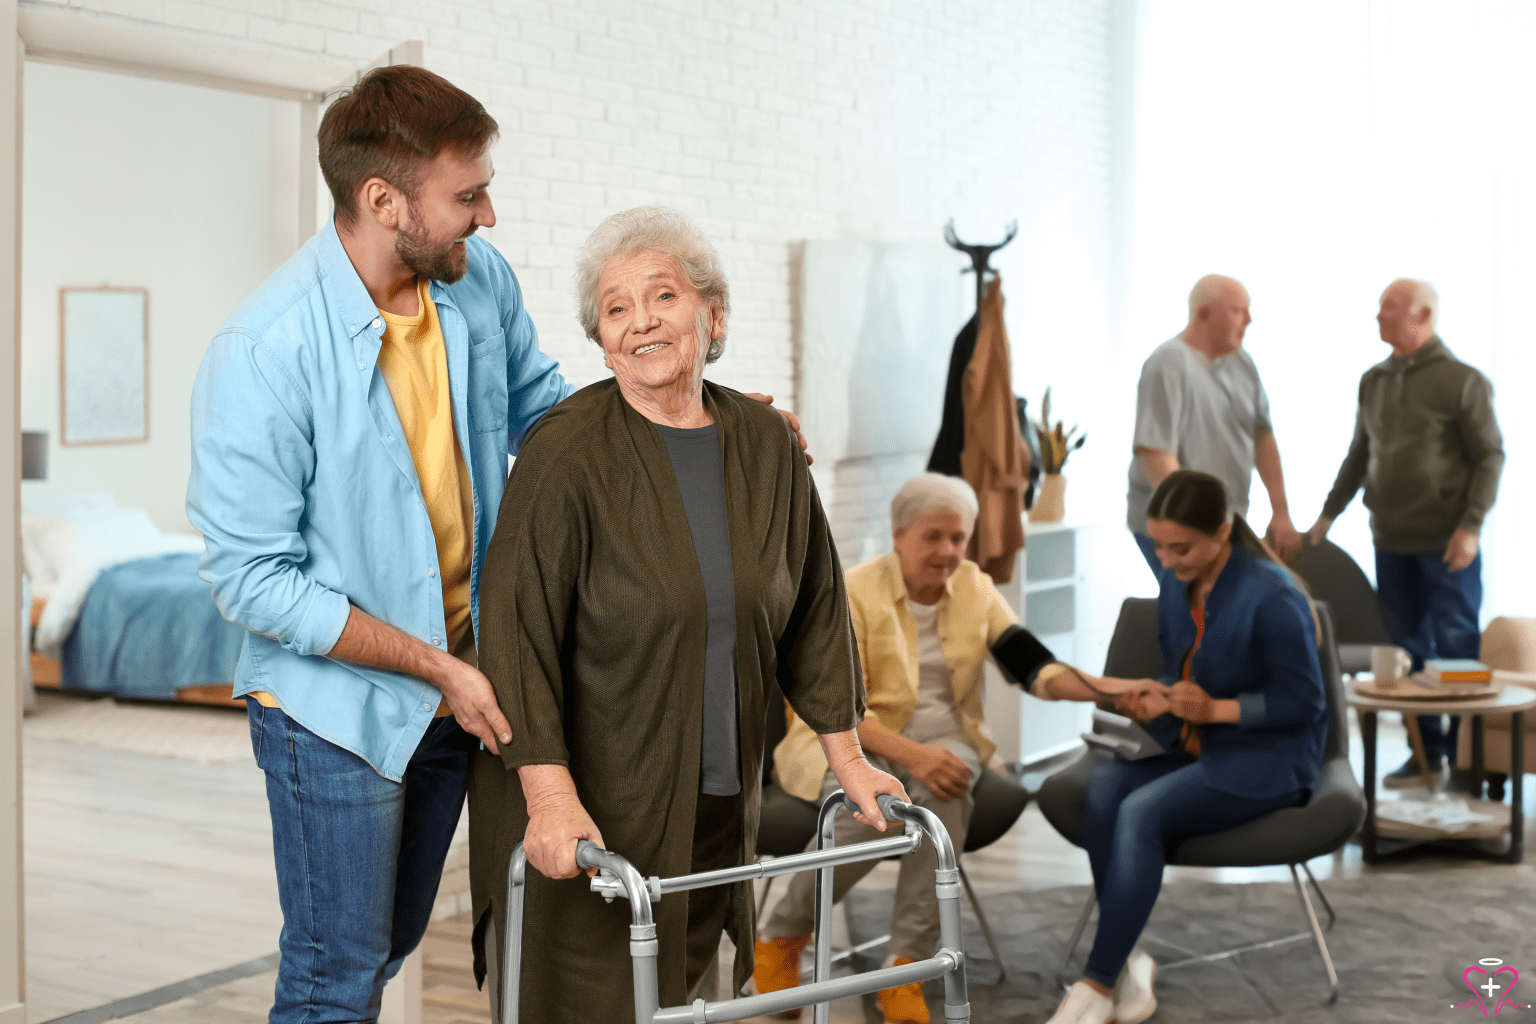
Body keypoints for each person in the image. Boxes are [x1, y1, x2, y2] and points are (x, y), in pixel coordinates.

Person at [188, 70, 802, 1022]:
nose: (488, 213)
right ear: (383, 201)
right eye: (466, 195)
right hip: (339, 710)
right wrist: (437, 667)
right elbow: (252, 581)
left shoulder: (476, 289)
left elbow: (554, 426)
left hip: (464, 688)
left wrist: (703, 422)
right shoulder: (265, 352)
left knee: (386, 946)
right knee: (334, 969)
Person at [467, 206, 906, 1023]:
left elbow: (814, 607)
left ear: (714, 313)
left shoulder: (768, 444)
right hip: (589, 803)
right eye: (616, 308)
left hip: (715, 793)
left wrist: (849, 762)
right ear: (600, 338)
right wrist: (552, 800)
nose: (641, 323)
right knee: (590, 1001)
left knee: (689, 997)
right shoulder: (566, 453)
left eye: (662, 296)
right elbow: (515, 631)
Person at [755, 472, 1061, 1024]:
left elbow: (1032, 664)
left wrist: (1107, 689)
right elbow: (835, 707)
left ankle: (908, 969)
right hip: (851, 740)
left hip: (947, 739)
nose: (948, 552)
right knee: (870, 808)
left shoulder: (974, 585)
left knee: (944, 789)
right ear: (899, 536)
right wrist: (911, 758)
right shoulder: (851, 591)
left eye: (958, 538)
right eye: (933, 537)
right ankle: (781, 936)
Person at [1039, 470, 1327, 1024]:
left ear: (1222, 532)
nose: (1166, 561)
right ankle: (1126, 963)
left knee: (1143, 811)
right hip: (1192, 741)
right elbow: (1187, 671)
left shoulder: (1274, 597)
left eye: (1181, 547)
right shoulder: (1180, 580)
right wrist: (1163, 701)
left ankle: (1096, 984)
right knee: (1103, 790)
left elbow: (1305, 703)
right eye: (1158, 547)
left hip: (1270, 756)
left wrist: (1213, 710)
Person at [1308, 279, 1504, 787]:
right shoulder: (1373, 380)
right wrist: (1327, 516)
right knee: (1408, 652)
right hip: (1389, 540)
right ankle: (1426, 753)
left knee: (1457, 648)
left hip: (1447, 543)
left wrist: (1471, 527)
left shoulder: (1464, 381)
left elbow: (1490, 458)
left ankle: (1467, 758)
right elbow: (1358, 456)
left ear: (1423, 314)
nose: (1378, 317)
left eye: (1389, 309)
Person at [1127, 275, 1301, 577]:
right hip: (1177, 529)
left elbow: (1262, 437)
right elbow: (1155, 456)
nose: (1249, 320)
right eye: (1238, 310)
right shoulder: (1168, 363)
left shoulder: (1243, 363)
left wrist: (1281, 512)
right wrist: (1200, 522)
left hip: (1221, 526)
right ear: (1203, 314)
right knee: (1197, 614)